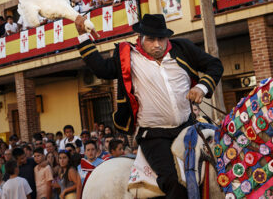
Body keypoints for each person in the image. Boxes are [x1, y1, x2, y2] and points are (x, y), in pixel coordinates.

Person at [74, 13, 223, 198]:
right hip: (154, 135)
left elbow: (214, 65)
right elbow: (102, 69)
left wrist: (202, 87)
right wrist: (82, 36)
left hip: (188, 129)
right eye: (151, 39)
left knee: (219, 167)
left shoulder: (183, 48)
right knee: (174, 182)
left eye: (161, 38)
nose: (157, 45)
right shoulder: (127, 56)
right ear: (141, 38)